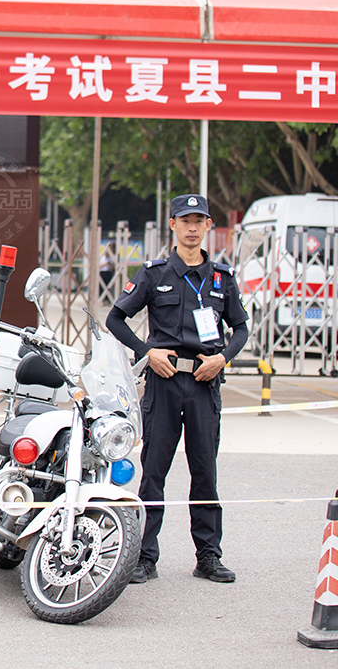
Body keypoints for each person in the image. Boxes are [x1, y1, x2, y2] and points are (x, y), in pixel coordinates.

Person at [107, 193, 248, 585]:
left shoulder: (222, 278)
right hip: (164, 383)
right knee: (154, 473)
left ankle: (208, 556)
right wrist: (147, 352)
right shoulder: (153, 274)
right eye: (184, 220)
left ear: (208, 226)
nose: (191, 227)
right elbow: (116, 319)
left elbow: (241, 328)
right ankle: (144, 557)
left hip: (204, 384)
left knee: (205, 473)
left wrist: (224, 358)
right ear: (172, 224)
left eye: (199, 220)